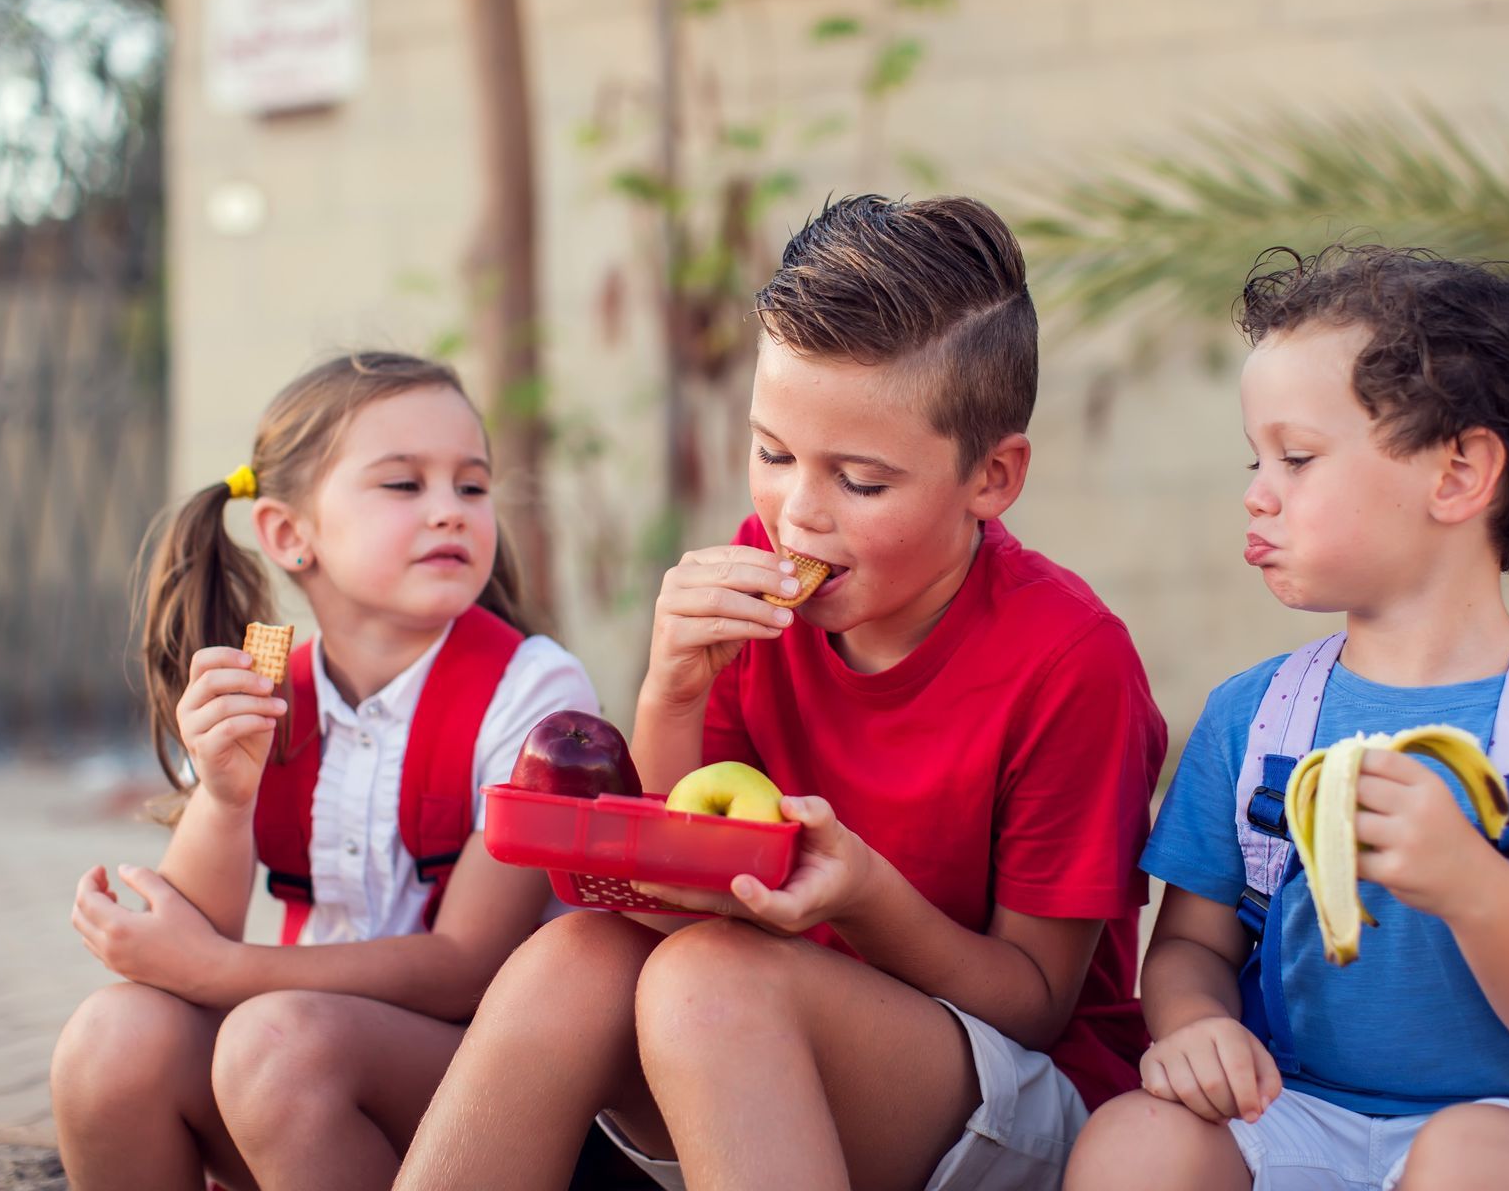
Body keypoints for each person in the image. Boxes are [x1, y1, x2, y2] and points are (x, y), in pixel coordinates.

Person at [397, 195, 1167, 1191]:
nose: (798, 513)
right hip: (760, 1027)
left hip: (1021, 1093)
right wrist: (669, 693)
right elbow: (679, 895)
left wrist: (866, 895)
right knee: (575, 955)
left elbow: (1036, 1000)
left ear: (992, 476)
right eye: (772, 453)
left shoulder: (1069, 659)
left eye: (860, 479)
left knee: (707, 981)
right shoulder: (762, 584)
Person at [1064, 246, 1509, 1191]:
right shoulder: (1257, 718)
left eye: (1298, 458)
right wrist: (1196, 1026)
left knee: (1469, 1162)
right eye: (1257, 459)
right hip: (1290, 1103)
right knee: (1133, 1141)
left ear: (1457, 476)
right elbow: (1194, 946)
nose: (1256, 491)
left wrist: (1470, 887)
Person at [50, 351, 599, 1191]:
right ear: (287, 535)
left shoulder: (534, 691)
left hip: (496, 1087)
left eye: (472, 486)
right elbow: (201, 931)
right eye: (404, 485)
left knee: (272, 1041)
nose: (450, 511)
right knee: (111, 1038)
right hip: (296, 1069)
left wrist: (220, 974)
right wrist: (226, 797)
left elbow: (467, 966)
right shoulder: (270, 692)